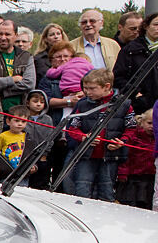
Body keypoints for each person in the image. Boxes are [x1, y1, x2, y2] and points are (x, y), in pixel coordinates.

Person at [67, 69, 134, 201]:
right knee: (82, 190)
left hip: (110, 157)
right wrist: (83, 137)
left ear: (107, 86)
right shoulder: (82, 104)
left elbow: (132, 128)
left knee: (107, 192)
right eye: (85, 88)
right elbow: (72, 127)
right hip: (86, 156)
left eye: (92, 88)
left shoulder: (124, 105)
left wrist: (122, 141)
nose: (87, 92)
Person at [0, 19, 35, 110]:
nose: (3, 38)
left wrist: (2, 89)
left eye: (7, 34)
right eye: (0, 34)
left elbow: (29, 84)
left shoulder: (26, 57)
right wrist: (12, 80)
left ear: (16, 35)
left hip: (21, 112)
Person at [113, 11, 158, 116]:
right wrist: (136, 93)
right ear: (146, 26)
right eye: (156, 24)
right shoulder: (130, 49)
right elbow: (118, 77)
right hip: (141, 107)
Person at [115, 110, 155, 209]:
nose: (152, 126)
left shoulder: (156, 140)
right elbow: (126, 157)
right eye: (149, 123)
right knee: (130, 203)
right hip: (133, 177)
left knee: (147, 203)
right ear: (142, 122)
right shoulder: (134, 137)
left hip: (151, 178)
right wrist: (122, 173)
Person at [24, 89, 54, 189]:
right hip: (25, 157)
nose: (38, 104)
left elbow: (50, 138)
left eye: (42, 102)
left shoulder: (47, 119)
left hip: (42, 157)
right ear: (27, 102)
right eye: (35, 101)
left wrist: (45, 154)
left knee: (40, 184)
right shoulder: (23, 118)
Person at [0, 106, 30, 180]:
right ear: (8, 121)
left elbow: (30, 155)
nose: (20, 124)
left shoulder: (28, 137)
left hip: (22, 174)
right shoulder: (3, 136)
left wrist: (33, 166)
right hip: (5, 173)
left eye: (23, 121)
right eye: (16, 121)